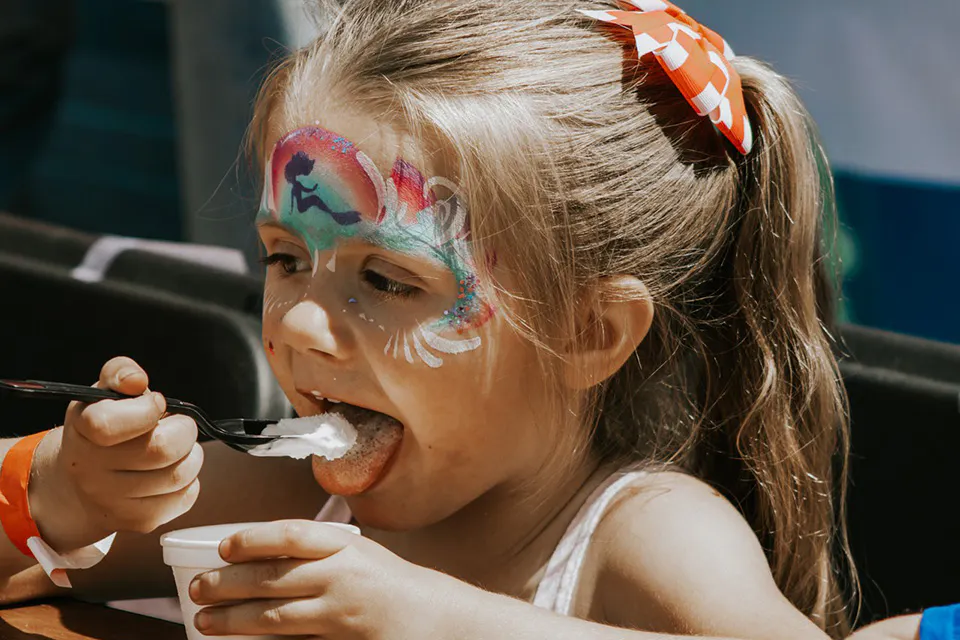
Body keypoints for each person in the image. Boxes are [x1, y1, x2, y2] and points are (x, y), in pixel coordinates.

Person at [0, 1, 941, 638]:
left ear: (589, 335)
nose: (301, 328)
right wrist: (60, 496)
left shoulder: (644, 539)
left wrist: (438, 617)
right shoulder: (282, 496)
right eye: (286, 260)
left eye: (389, 278)